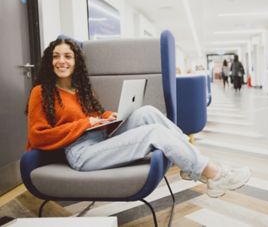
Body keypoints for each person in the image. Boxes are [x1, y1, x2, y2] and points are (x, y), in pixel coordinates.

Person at [26, 38, 251, 198]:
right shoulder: (41, 92)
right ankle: (212, 173)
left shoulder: (81, 89)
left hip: (99, 140)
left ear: (76, 62)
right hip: (80, 154)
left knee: (147, 112)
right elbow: (38, 136)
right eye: (56, 57)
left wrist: (107, 117)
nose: (61, 61)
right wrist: (86, 123)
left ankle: (192, 163)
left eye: (68, 56)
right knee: (153, 134)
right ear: (50, 61)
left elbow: (94, 116)